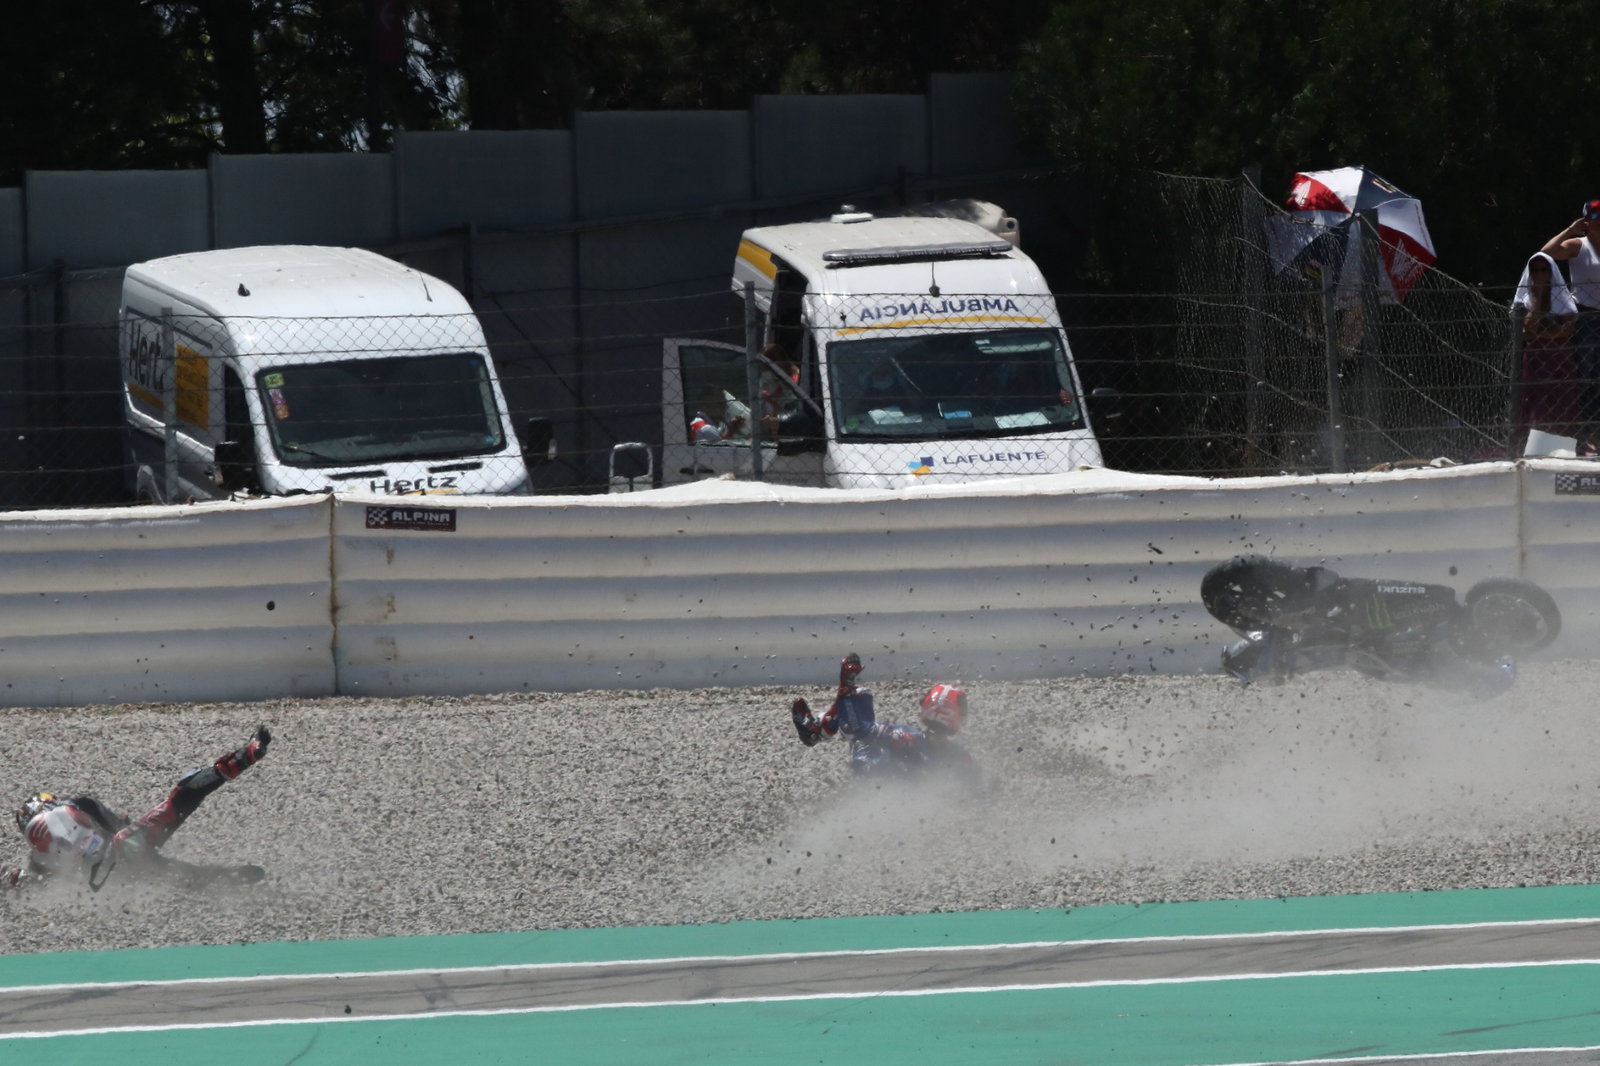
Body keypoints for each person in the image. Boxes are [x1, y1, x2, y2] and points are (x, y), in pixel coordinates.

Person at [3, 725, 272, 891]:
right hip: (121, 850)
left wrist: (13, 880)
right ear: (45, 801)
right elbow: (113, 821)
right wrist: (126, 823)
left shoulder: (36, 853)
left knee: (163, 873)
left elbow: (42, 882)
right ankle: (243, 758)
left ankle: (218, 881)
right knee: (181, 796)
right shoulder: (72, 802)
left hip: (108, 882)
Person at [788, 653, 975, 780]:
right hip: (915, 807)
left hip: (880, 792)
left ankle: (819, 730)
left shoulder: (905, 736)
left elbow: (858, 729)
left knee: (860, 698)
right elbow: (981, 791)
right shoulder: (962, 758)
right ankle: (820, 729)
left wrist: (846, 686)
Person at [1511, 252, 1584, 448]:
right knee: (1535, 401)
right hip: (1536, 359)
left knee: (1563, 400)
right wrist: (1540, 295)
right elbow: (1527, 331)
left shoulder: (1561, 296)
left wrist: (1541, 336)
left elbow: (1568, 330)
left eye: (1544, 270)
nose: (1540, 274)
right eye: (1535, 270)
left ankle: (1565, 444)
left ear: (1551, 273)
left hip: (1560, 357)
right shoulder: (1525, 299)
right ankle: (1532, 445)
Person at [1539, 201, 1600, 424]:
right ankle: (1587, 429)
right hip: (1587, 316)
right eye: (1596, 216)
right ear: (1586, 221)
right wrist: (1570, 230)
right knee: (1588, 372)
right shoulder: (1578, 245)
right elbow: (1547, 252)